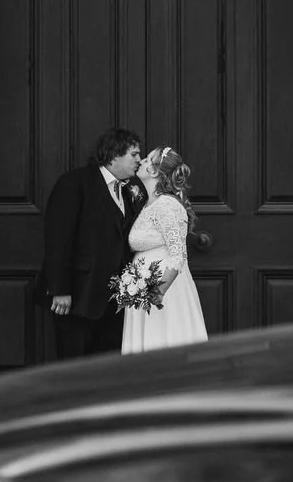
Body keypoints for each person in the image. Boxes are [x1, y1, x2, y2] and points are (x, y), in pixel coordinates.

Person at [39, 127, 144, 359]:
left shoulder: (130, 190)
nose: (140, 160)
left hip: (115, 298)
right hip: (79, 294)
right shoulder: (75, 183)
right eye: (134, 154)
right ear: (114, 154)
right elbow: (58, 238)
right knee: (74, 360)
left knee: (106, 362)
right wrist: (60, 289)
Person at [121, 146, 209, 354]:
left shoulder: (167, 205)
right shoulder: (149, 204)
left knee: (163, 340)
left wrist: (159, 292)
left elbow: (178, 254)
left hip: (164, 289)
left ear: (153, 171)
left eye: (147, 159)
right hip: (144, 286)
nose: (141, 161)